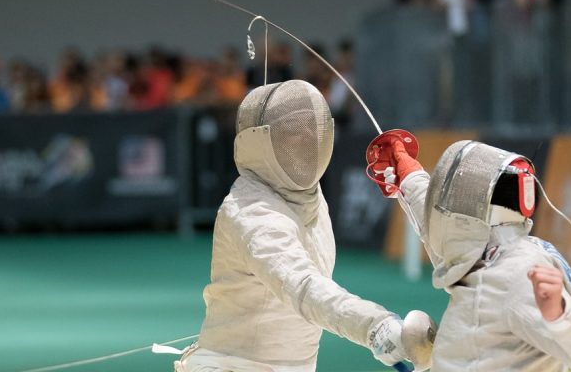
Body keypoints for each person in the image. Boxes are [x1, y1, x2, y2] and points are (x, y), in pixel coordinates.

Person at [175, 80, 430, 372]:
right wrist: (374, 326)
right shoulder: (250, 213)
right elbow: (304, 287)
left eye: (314, 128)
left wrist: (411, 181)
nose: (308, 138)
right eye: (293, 132)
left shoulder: (310, 197)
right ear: (261, 142)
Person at [375, 137, 571, 371]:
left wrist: (561, 317)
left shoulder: (518, 274)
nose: (450, 204)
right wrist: (408, 173)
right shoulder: (482, 250)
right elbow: (438, 226)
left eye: (461, 197)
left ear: (485, 208)